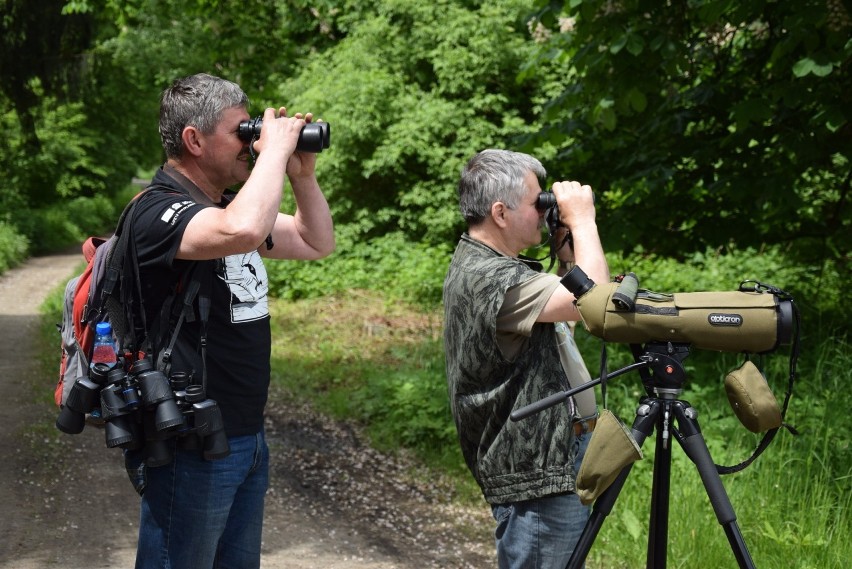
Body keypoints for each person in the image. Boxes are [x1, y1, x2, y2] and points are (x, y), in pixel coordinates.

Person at [126, 73, 335, 569]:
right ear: (194, 140)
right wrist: (273, 156)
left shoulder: (223, 207)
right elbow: (242, 229)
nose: (252, 141)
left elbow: (315, 242)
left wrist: (300, 175)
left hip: (242, 434)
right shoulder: (157, 212)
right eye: (241, 131)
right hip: (188, 442)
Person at [443, 149, 609, 568]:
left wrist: (568, 252)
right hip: (536, 476)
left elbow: (560, 325)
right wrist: (583, 220)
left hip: (547, 464)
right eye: (538, 202)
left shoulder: (493, 265)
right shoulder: (492, 277)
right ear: (500, 212)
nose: (544, 211)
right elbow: (597, 305)